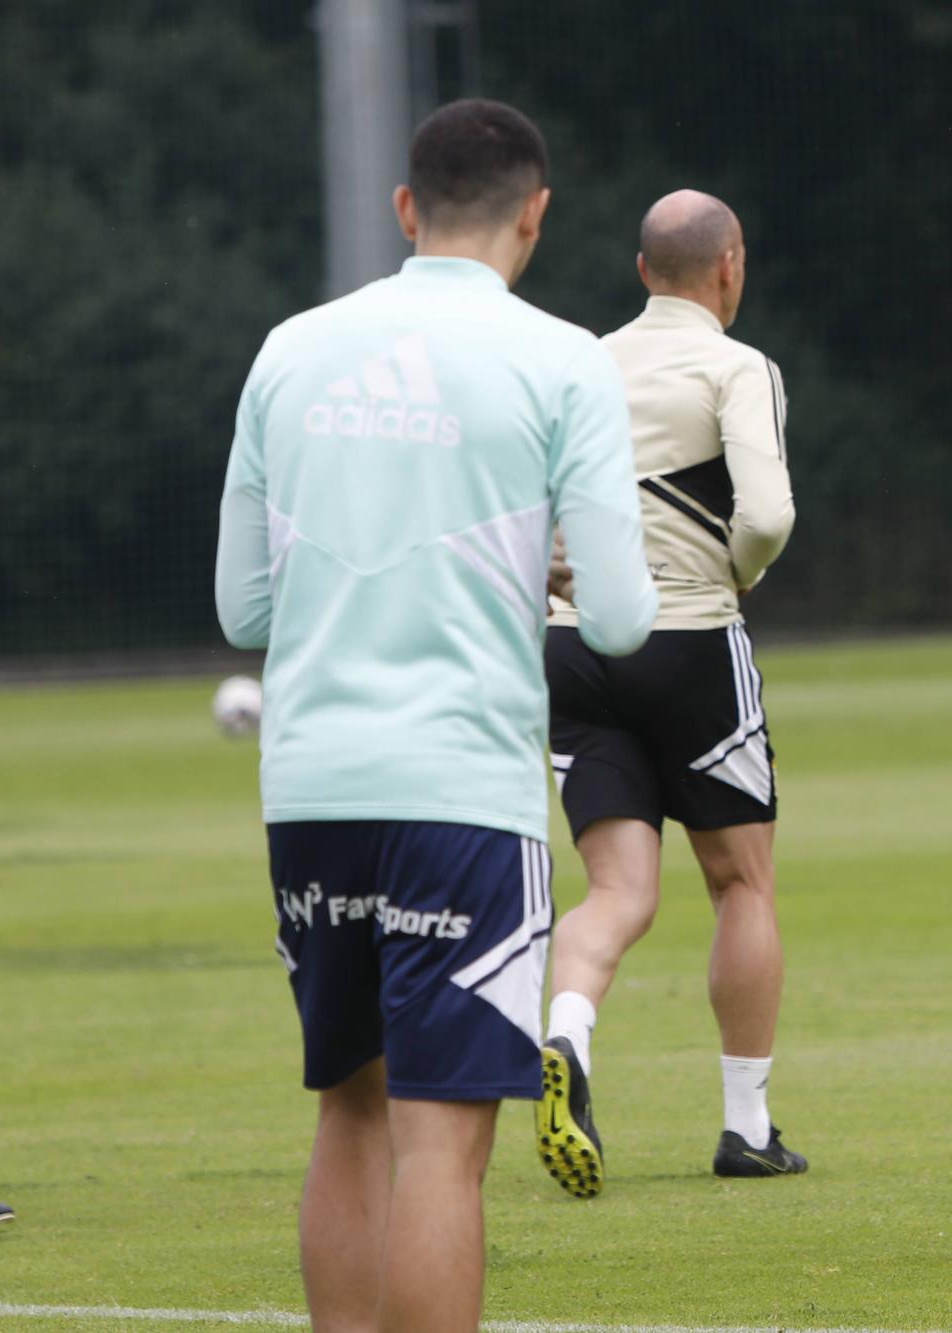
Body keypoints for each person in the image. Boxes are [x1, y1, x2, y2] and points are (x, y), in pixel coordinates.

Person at [215, 98, 655, 1331]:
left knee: (347, 1113)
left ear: (404, 210)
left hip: (310, 788)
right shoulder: (563, 357)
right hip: (461, 792)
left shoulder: (290, 346)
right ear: (536, 213)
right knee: (443, 1148)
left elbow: (242, 605)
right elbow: (619, 622)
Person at [537, 191, 803, 1197]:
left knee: (615, 892)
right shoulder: (735, 366)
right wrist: (735, 570)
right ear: (728, 265)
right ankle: (747, 1125)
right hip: (689, 642)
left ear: (641, 270)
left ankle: (568, 1037)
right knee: (740, 882)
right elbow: (767, 512)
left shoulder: (578, 363)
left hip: (572, 650)